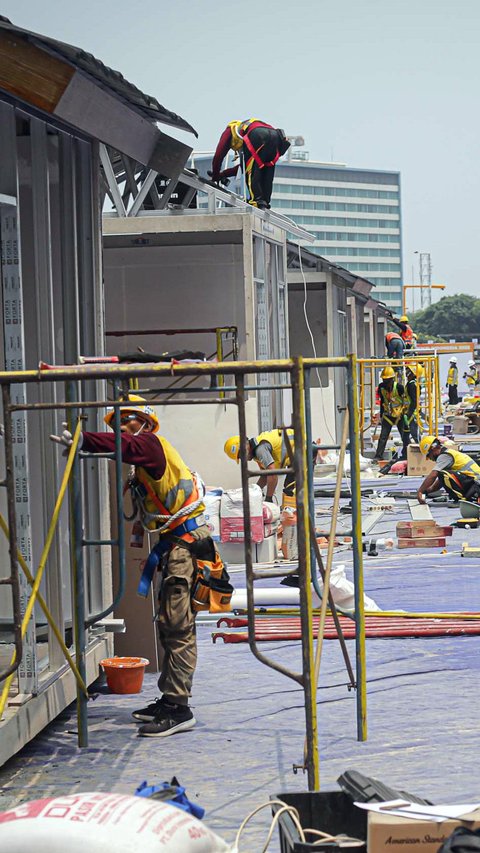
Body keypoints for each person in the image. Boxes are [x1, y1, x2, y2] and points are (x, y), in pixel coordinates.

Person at [51, 395, 222, 738]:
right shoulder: (144, 460)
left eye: (127, 420)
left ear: (145, 420)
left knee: (178, 627)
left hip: (184, 547)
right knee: (167, 625)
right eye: (116, 423)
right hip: (175, 545)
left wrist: (86, 440)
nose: (121, 427)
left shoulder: (151, 445)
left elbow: (126, 445)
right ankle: (169, 698)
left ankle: (179, 707)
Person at [209, 118, 290, 210]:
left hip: (257, 134)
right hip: (276, 136)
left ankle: (255, 201)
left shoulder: (229, 130)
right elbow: (242, 167)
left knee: (252, 172)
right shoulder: (245, 130)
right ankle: (265, 202)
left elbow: (218, 157)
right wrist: (222, 174)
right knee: (268, 170)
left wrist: (215, 176)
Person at [224, 429, 319, 503]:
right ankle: (292, 518)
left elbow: (273, 476)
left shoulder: (260, 449)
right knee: (289, 492)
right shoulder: (257, 453)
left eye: (241, 454)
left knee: (292, 490)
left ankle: (296, 523)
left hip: (305, 450)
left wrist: (268, 499)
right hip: (297, 455)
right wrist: (253, 491)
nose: (242, 459)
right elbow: (265, 476)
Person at [417, 435, 480, 504]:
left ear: (433, 449)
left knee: (442, 474)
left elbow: (433, 475)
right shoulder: (448, 453)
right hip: (474, 483)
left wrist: (420, 491)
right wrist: (428, 491)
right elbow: (441, 481)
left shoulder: (444, 456)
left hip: (475, 484)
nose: (430, 459)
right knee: (443, 474)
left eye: (428, 455)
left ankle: (460, 499)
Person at [373, 365, 410, 461]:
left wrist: (405, 413)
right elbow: (382, 401)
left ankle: (407, 454)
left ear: (392, 379)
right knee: (383, 437)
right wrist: (381, 415)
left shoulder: (399, 387)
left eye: (387, 380)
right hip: (388, 416)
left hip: (399, 416)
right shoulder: (381, 387)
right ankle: (378, 456)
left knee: (404, 436)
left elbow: (406, 401)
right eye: (384, 380)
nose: (385, 383)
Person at [404, 362, 423, 443]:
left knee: (414, 433)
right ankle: (406, 452)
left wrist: (409, 413)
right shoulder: (414, 383)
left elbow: (414, 400)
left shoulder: (411, 385)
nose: (406, 371)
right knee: (405, 434)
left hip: (411, 412)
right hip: (411, 411)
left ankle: (421, 451)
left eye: (408, 369)